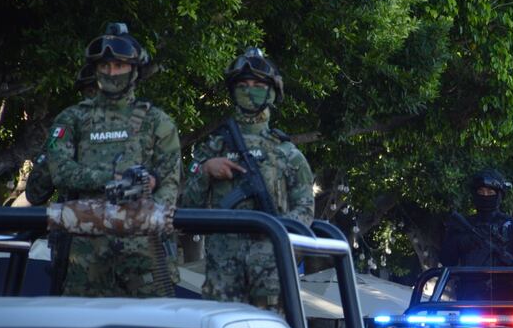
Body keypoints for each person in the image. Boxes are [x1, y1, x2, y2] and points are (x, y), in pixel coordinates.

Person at [44, 23, 182, 297]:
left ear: (134, 69)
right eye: (105, 66)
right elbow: (59, 170)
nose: (111, 72)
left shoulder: (157, 121)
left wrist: (152, 215)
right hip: (85, 253)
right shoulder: (72, 118)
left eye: (119, 65)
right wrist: (109, 179)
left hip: (144, 253)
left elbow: (170, 182)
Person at [181, 47, 315, 311]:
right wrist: (206, 170)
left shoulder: (287, 153)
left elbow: (305, 211)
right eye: (243, 85)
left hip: (271, 273)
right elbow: (188, 208)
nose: (249, 90)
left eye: (257, 85)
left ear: (272, 91)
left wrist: (271, 227)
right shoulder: (213, 149)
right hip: (222, 273)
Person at [10, 64, 100, 208]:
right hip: (135, 223)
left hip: (80, 221)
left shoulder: (70, 124)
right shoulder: (143, 121)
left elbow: (36, 191)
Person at [438, 167, 513, 268]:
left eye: (490, 192)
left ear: (499, 195)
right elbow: (446, 261)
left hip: (503, 282)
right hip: (466, 282)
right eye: (481, 192)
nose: (485, 195)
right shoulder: (461, 226)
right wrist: (459, 243)